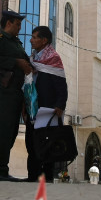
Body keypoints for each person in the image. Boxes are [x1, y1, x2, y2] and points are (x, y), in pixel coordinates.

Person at [0, 10, 32, 182]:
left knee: (12, 131)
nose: (20, 27)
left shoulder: (17, 43)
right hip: (3, 91)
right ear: (8, 23)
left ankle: (2, 168)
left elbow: (25, 60)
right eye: (17, 24)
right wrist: (16, 62)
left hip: (15, 91)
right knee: (2, 131)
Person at [24, 26, 67, 182]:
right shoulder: (32, 59)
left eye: (34, 37)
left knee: (47, 145)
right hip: (32, 110)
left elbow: (62, 86)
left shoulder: (53, 59)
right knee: (31, 143)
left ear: (44, 40)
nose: (31, 40)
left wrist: (60, 106)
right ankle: (32, 177)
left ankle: (47, 178)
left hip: (48, 110)